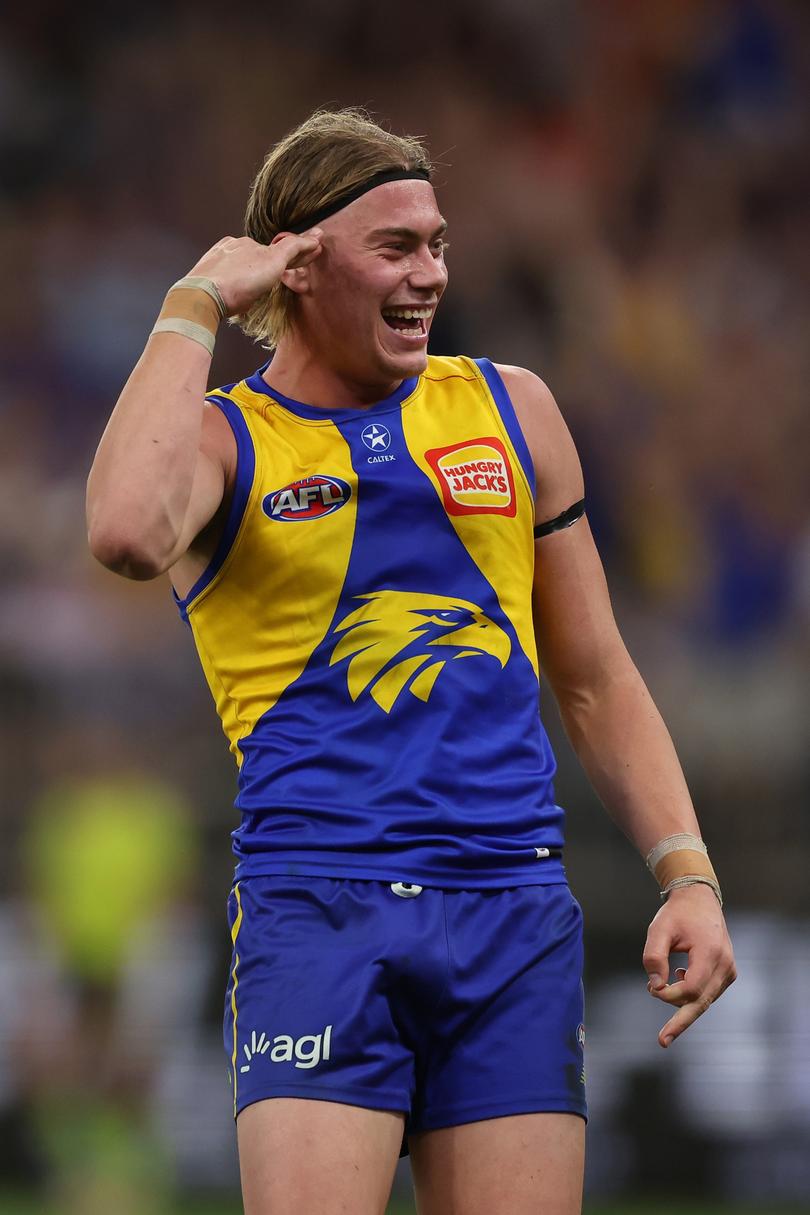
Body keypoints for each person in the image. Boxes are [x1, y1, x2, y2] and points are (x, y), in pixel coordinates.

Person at [86, 108, 736, 1215]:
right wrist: (194, 303)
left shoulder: (511, 408)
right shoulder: (224, 442)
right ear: (297, 266)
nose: (429, 273)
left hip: (511, 909)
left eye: (437, 242)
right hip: (317, 907)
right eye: (396, 247)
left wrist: (689, 873)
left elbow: (594, 676)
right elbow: (123, 534)